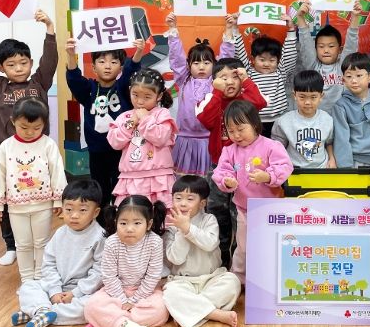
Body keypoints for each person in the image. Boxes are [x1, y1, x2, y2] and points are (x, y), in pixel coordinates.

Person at [0, 9, 58, 266]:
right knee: (7, 200)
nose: (19, 68)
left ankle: (39, 242)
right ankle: (11, 245)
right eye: (11, 64)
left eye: (23, 62)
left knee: (38, 196)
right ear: (1, 68)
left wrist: (49, 28)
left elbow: (50, 60)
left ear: (31, 62)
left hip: (38, 151)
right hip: (7, 153)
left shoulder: (39, 83)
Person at [196, 58, 267, 268]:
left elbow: (260, 103)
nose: (229, 82)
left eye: (234, 76)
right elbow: (206, 120)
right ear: (214, 81)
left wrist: (247, 81)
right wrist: (216, 93)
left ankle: (239, 259)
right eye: (223, 77)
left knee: (240, 214)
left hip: (245, 168)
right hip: (218, 167)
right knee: (217, 210)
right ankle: (220, 257)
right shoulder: (211, 98)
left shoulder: (245, 99)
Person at [0, 97, 66, 282]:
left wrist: (58, 199)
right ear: (13, 121)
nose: (30, 132)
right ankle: (27, 280)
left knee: (42, 243)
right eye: (24, 127)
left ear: (44, 124)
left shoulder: (48, 144)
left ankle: (41, 278)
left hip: (43, 205)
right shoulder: (6, 146)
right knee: (22, 244)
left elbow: (57, 172)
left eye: (37, 128)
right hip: (16, 207)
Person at [213, 100, 293, 284]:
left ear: (255, 124)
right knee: (243, 246)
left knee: (270, 244)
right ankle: (239, 278)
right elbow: (221, 171)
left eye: (241, 129)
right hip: (244, 209)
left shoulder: (271, 146)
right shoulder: (229, 150)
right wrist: (227, 181)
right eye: (231, 131)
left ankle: (272, 278)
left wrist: (268, 176)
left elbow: (285, 166)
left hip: (270, 209)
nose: (236, 135)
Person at [11, 180, 105, 327]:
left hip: (83, 291)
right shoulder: (60, 233)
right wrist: (54, 291)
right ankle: (42, 310)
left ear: (95, 213)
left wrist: (76, 293)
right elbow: (48, 264)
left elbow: (100, 272)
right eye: (68, 209)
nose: (74, 215)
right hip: (57, 286)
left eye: (82, 210)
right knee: (27, 287)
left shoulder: (100, 237)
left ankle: (37, 312)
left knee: (93, 305)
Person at [65, 39, 145, 215]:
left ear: (120, 67)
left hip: (122, 151)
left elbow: (130, 71)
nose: (108, 66)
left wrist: (138, 53)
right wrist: (71, 55)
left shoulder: (123, 88)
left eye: (114, 62)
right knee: (100, 190)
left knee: (121, 189)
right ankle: (101, 222)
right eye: (102, 61)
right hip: (97, 151)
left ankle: (120, 221)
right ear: (93, 67)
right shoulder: (89, 89)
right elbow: (74, 80)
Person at [163, 176, 241, 327]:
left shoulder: (209, 220)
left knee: (233, 282)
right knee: (170, 292)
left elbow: (209, 244)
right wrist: (182, 230)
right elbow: (176, 259)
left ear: (202, 203)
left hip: (212, 278)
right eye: (178, 198)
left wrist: (188, 229)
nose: (183, 203)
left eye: (190, 199)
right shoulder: (170, 227)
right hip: (183, 282)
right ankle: (214, 314)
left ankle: (189, 311)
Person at [84, 195, 169, 327]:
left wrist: (134, 301)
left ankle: (110, 322)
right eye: (123, 223)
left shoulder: (155, 242)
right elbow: (109, 276)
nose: (129, 229)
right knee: (91, 306)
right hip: (116, 290)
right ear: (116, 222)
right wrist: (123, 301)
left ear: (148, 224)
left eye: (137, 223)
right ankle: (124, 325)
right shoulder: (112, 242)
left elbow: (153, 276)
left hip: (145, 292)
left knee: (161, 311)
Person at [166, 12, 234, 177]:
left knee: (209, 179)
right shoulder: (184, 79)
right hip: (185, 139)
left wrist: (229, 29)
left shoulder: (217, 80)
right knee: (185, 180)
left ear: (214, 64)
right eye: (196, 63)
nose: (201, 67)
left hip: (210, 139)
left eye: (206, 62)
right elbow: (176, 58)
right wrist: (173, 29)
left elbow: (226, 59)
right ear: (188, 65)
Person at [107, 68, 178, 207]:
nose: (140, 101)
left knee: (160, 215)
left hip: (158, 176)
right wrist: (130, 123)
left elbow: (160, 138)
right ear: (129, 90)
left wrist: (145, 119)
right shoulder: (124, 117)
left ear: (159, 96)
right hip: (130, 177)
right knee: (131, 214)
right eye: (135, 95)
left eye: (147, 97)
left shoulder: (162, 114)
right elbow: (115, 143)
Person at [234, 13, 298, 137]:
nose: (266, 64)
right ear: (253, 59)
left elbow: (289, 54)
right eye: (262, 60)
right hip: (253, 121)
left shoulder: (280, 71)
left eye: (272, 60)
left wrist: (291, 29)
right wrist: (235, 29)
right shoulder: (248, 72)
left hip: (279, 120)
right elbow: (239, 52)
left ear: (278, 61)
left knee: (277, 147)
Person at [297, 0, 362, 112]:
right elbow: (306, 43)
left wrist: (355, 17)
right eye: (321, 46)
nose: (326, 50)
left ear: (340, 50)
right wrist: (300, 17)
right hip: (316, 118)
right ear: (315, 49)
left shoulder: (343, 66)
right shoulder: (313, 66)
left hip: (341, 118)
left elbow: (351, 44)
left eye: (331, 46)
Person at [331, 52, 370, 178]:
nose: (354, 80)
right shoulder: (341, 106)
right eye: (349, 76)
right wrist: (346, 169)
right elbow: (341, 139)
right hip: (353, 163)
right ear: (343, 80)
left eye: (359, 75)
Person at [272, 70, 335, 168]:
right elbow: (277, 147)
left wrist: (332, 158)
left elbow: (329, 143)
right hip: (293, 169)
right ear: (294, 95)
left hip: (321, 168)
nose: (307, 102)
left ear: (321, 96)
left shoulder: (327, 119)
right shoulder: (283, 121)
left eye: (313, 97)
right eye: (302, 97)